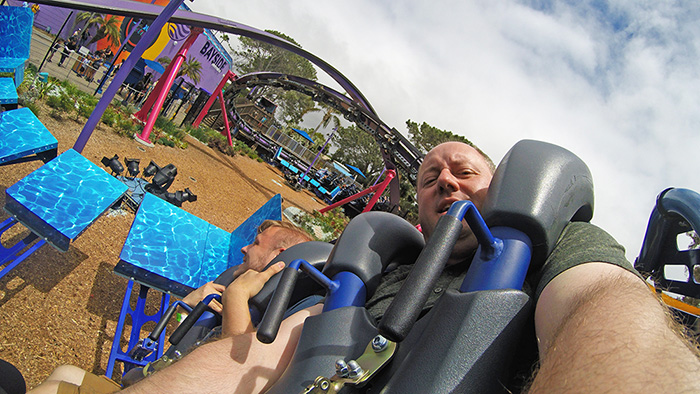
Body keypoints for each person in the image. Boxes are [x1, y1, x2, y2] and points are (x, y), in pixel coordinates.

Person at [118, 141, 700, 393]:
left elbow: (603, 309)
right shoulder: (377, 273)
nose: (444, 179)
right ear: (418, 207)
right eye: (429, 178)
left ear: (499, 189)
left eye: (464, 173)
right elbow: (264, 357)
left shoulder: (552, 246)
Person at [27, 220, 313, 394]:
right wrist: (187, 306)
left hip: (164, 384)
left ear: (280, 254)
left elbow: (235, 366)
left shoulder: (270, 313)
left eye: (256, 243)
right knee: (64, 372)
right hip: (151, 378)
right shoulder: (237, 290)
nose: (244, 248)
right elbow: (179, 338)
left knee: (55, 388)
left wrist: (236, 297)